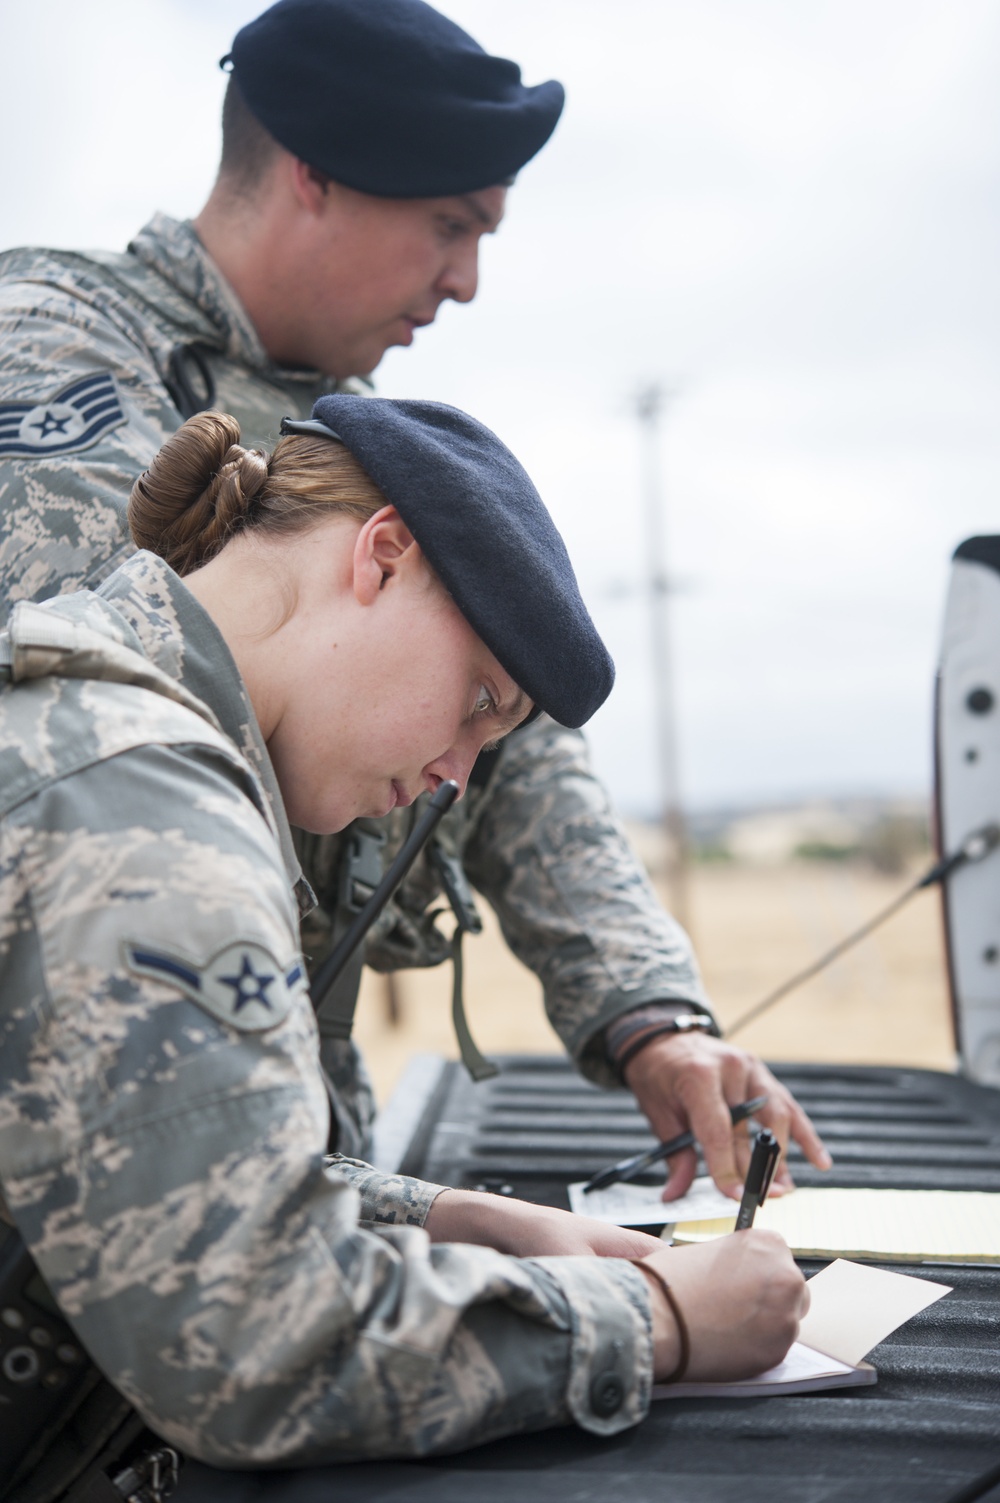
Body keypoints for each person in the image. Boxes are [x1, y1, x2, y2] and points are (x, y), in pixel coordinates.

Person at [0, 0, 830, 1197]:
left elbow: (505, 734)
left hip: (285, 1135)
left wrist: (647, 1009)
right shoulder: (52, 351)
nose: (468, 281)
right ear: (314, 175)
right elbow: (121, 707)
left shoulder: (342, 420)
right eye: (451, 224)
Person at [0, 397, 809, 1477]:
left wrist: (448, 1217)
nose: (455, 774)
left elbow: (136, 1172)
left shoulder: (85, 715)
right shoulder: (145, 802)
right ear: (380, 555)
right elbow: (253, 1347)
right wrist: (654, 1312)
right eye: (480, 699)